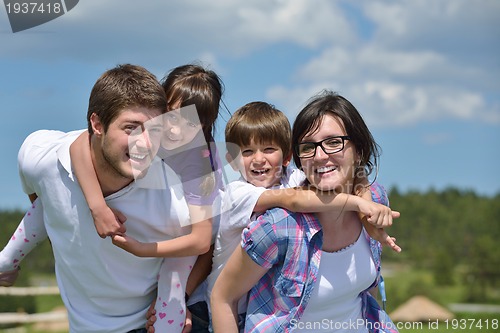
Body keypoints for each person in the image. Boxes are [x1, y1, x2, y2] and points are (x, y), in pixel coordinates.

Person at [0, 63, 226, 333]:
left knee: (172, 284)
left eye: (193, 122)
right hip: (88, 321)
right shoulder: (46, 156)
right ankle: (6, 259)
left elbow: (204, 241)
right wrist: (95, 209)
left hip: (163, 288)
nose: (175, 131)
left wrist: (179, 296)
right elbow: (74, 151)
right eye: (170, 118)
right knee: (50, 196)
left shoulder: (197, 168)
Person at [211, 91, 400, 332]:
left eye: (334, 142)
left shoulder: (375, 200)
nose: (320, 156)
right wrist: (358, 205)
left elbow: (366, 292)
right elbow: (223, 297)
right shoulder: (277, 226)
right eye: (309, 147)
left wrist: (365, 211)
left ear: (359, 150)